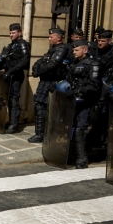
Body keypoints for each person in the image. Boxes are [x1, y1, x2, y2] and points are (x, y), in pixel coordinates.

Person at [63, 40, 101, 169]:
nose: (74, 52)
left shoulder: (93, 65)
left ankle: (82, 159)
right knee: (71, 128)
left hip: (85, 103)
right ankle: (70, 155)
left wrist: (77, 91)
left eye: (76, 50)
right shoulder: (74, 63)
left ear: (85, 50)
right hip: (73, 102)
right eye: (73, 50)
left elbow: (94, 86)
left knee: (80, 129)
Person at [28, 28, 70, 143]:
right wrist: (36, 68)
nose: (49, 39)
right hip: (45, 81)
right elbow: (42, 60)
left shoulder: (62, 48)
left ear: (59, 38)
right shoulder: (52, 49)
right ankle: (40, 133)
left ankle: (46, 133)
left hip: (54, 82)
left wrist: (39, 71)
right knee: (40, 106)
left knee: (49, 108)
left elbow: (53, 64)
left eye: (51, 37)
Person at [0, 23, 31, 134]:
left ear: (19, 33)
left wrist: (11, 71)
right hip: (8, 76)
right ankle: (11, 121)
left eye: (13, 32)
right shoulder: (11, 46)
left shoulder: (23, 45)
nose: (11, 35)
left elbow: (25, 61)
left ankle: (14, 124)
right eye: (10, 32)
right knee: (9, 100)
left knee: (14, 99)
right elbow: (3, 61)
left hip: (16, 76)